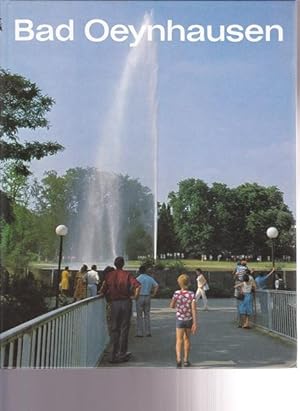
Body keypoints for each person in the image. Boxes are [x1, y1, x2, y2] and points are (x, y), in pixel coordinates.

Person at [100, 256, 141, 363]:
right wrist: (136, 296)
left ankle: (113, 354)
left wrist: (104, 295)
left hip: (114, 304)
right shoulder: (127, 274)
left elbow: (103, 290)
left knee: (115, 328)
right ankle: (122, 353)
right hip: (126, 302)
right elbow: (138, 285)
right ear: (123, 264)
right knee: (124, 328)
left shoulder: (109, 275)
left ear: (114, 264)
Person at [170, 274, 197, 368]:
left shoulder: (176, 293)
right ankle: (186, 360)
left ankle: (178, 359)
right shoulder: (191, 294)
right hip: (189, 319)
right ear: (188, 283)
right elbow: (193, 309)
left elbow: (172, 306)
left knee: (178, 340)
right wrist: (195, 323)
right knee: (187, 339)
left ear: (179, 283)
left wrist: (177, 304)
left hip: (179, 319)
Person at [135, 265, 159, 337]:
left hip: (140, 296)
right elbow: (156, 285)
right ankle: (148, 332)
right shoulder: (149, 278)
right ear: (145, 271)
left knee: (139, 315)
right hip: (147, 296)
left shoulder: (138, 279)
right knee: (147, 315)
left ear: (139, 271)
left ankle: (139, 332)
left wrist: (135, 296)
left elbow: (135, 287)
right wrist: (153, 294)